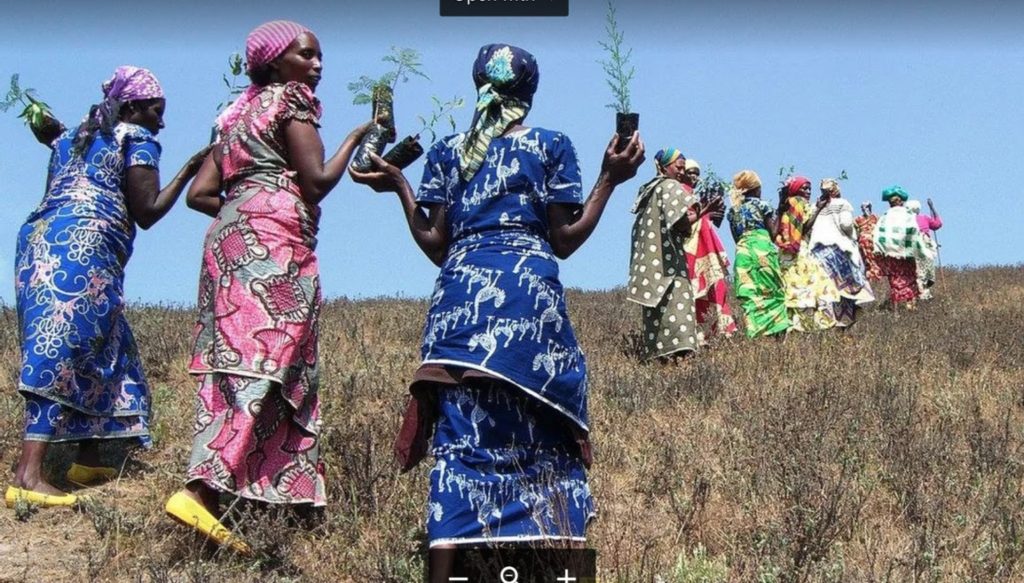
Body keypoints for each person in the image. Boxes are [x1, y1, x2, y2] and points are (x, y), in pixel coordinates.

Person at [348, 43, 644, 574]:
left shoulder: (448, 152)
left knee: (463, 443)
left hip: (460, 310)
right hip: (530, 308)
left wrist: (399, 184)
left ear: (476, 86)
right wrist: (609, 180)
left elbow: (437, 245)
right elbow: (565, 239)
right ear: (529, 94)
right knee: (544, 440)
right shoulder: (551, 145)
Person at [165, 20, 372, 553]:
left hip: (229, 242)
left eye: (320, 56)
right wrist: (356, 136)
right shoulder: (291, 103)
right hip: (276, 247)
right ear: (277, 61)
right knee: (270, 361)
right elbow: (318, 181)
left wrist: (248, 205)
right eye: (307, 55)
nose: (317, 65)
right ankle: (201, 491)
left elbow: (199, 194)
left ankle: (288, 502)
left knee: (240, 360)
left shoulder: (233, 116)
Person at [9, 66, 208, 509]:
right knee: (61, 347)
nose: (162, 121)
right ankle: (28, 474)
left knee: (104, 343)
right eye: (157, 111)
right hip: (84, 247)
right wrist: (192, 168)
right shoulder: (136, 138)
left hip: (39, 244)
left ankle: (89, 458)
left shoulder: (71, 140)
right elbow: (148, 210)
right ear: (134, 107)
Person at [627, 148, 701, 360]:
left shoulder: (650, 190)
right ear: (664, 167)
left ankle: (660, 358)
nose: (681, 172)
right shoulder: (669, 186)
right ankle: (681, 357)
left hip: (653, 268)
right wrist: (700, 213)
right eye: (678, 167)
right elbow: (680, 223)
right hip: (671, 266)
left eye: (683, 168)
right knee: (679, 307)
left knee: (657, 310)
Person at [679, 158, 737, 340]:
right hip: (691, 247)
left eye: (696, 174)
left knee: (716, 287)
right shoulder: (678, 195)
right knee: (694, 290)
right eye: (690, 173)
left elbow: (713, 220)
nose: (694, 177)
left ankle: (721, 328)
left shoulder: (698, 197)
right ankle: (697, 334)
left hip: (707, 246)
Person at [774, 175, 841, 332]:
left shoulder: (786, 205)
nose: (808, 191)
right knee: (809, 289)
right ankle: (810, 327)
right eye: (804, 188)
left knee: (793, 291)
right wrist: (818, 209)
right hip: (799, 252)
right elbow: (804, 228)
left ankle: (795, 327)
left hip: (785, 254)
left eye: (809, 188)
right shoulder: (798, 203)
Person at [726, 170, 789, 338]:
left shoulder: (733, 212)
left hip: (743, 254)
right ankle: (776, 336)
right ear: (755, 189)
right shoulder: (763, 206)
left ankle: (755, 334)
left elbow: (736, 239)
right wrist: (781, 210)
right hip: (763, 251)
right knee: (773, 292)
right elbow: (773, 234)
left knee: (751, 295)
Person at [806, 179, 875, 327]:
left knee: (825, 289)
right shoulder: (843, 204)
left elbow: (809, 228)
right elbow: (846, 224)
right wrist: (852, 235)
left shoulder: (815, 207)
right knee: (845, 290)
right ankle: (843, 322)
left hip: (817, 252)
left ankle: (825, 322)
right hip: (838, 251)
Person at [872, 185, 930, 309]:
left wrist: (880, 250)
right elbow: (914, 232)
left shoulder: (885, 217)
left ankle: (897, 308)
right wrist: (919, 250)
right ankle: (910, 305)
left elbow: (879, 234)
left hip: (891, 255)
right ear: (901, 202)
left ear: (890, 203)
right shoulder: (908, 215)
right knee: (910, 278)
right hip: (907, 255)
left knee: (895, 280)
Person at [905, 198, 942, 299]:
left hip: (910, 248)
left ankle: (918, 294)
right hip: (922, 247)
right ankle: (923, 295)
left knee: (917, 271)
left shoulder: (905, 221)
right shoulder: (923, 218)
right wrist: (932, 208)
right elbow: (937, 224)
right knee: (924, 271)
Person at [853, 202, 883, 282]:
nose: (864, 209)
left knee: (877, 262)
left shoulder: (876, 217)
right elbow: (854, 231)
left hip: (875, 243)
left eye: (866, 207)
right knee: (868, 263)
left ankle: (877, 279)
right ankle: (871, 279)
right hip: (864, 244)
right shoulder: (858, 219)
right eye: (863, 207)